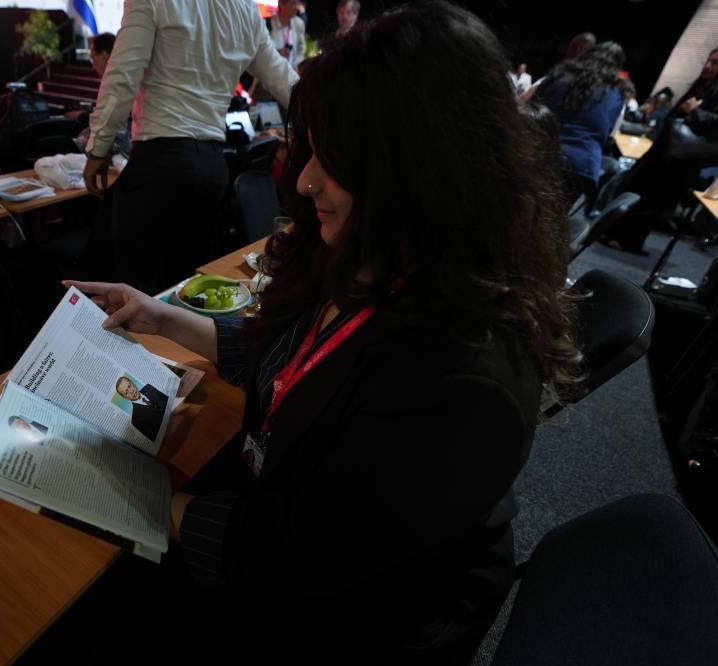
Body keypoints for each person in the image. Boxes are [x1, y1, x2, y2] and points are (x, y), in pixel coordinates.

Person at [66, 1, 578, 660]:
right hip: (290, 528)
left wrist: (136, 494)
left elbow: (296, 555)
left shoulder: (462, 372)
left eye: (334, 159)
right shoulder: (385, 257)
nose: (305, 181)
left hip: (351, 615)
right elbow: (296, 357)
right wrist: (160, 316)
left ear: (421, 169)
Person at [82, 0, 299, 296]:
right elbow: (282, 77)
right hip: (212, 167)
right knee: (186, 292)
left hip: (161, 161)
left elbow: (122, 74)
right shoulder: (244, 9)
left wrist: (98, 147)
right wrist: (328, 120)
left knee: (134, 291)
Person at [606, 47, 718, 252]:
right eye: (708, 61)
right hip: (666, 149)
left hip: (683, 158)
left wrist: (695, 112)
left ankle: (628, 240)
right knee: (639, 187)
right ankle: (614, 230)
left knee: (654, 199)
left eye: (715, 63)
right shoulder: (702, 85)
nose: (708, 66)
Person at [536, 41, 626, 199]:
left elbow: (533, 109)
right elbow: (608, 134)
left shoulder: (559, 75)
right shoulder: (615, 95)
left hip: (540, 153)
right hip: (581, 167)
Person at [115, 376, 167, 441]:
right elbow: (158, 439)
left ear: (133, 383)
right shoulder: (136, 420)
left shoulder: (148, 388)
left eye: (129, 386)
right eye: (126, 392)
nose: (131, 391)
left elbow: (167, 399)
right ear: (125, 398)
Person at [267, 0, 306, 70]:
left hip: (291, 73)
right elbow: (262, 52)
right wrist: (278, 54)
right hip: (271, 72)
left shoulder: (298, 24)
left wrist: (297, 67)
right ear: (281, 4)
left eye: (298, 3)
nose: (296, 7)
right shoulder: (267, 24)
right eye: (293, 3)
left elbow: (301, 50)